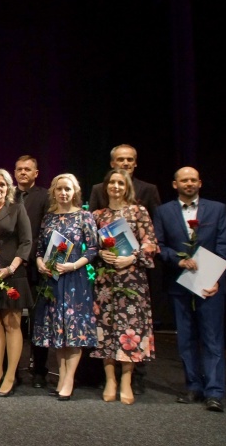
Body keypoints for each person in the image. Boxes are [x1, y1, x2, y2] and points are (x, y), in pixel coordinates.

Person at [154, 166, 226, 413]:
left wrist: (215, 278)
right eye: (184, 180)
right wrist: (178, 261)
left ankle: (214, 392)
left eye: (193, 180)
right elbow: (159, 246)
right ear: (175, 184)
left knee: (212, 338)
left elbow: (223, 246)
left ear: (200, 183)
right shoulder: (163, 211)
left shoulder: (217, 209)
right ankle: (194, 386)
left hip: (210, 284)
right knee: (186, 338)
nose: (189, 183)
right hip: (179, 282)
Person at [88, 144, 162, 394]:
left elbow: (151, 243)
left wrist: (131, 258)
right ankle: (110, 379)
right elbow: (89, 246)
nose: (116, 187)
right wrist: (100, 253)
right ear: (106, 187)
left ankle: (127, 381)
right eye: (112, 183)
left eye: (120, 183)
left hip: (132, 279)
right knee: (106, 327)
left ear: (127, 187)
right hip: (105, 281)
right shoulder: (97, 215)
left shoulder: (139, 211)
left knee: (130, 327)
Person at [33, 174, 99, 400]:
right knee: (58, 332)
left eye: (67, 189)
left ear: (75, 192)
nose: (63, 193)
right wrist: (39, 262)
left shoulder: (84, 216)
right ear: (54, 191)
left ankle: (69, 379)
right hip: (52, 281)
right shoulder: (49, 218)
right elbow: (40, 249)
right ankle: (62, 377)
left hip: (74, 280)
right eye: (59, 189)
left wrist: (73, 265)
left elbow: (93, 249)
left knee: (73, 331)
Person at [0, 168, 32, 397]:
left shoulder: (17, 209)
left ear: (8, 188)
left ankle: (10, 376)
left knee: (12, 324)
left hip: (12, 274)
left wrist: (11, 268)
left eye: (2, 184)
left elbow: (26, 242)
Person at [13, 155, 51, 388]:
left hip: (36, 267)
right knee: (12, 321)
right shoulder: (8, 195)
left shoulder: (45, 196)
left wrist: (28, 255)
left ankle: (39, 371)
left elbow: (46, 232)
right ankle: (12, 370)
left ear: (36, 173)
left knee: (38, 320)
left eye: (27, 169)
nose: (23, 173)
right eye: (19, 169)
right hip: (12, 267)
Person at [88, 144, 161, 217]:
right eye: (120, 160)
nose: (126, 163)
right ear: (112, 164)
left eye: (130, 160)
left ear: (135, 163)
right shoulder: (98, 189)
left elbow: (158, 218)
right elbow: (91, 219)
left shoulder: (149, 189)